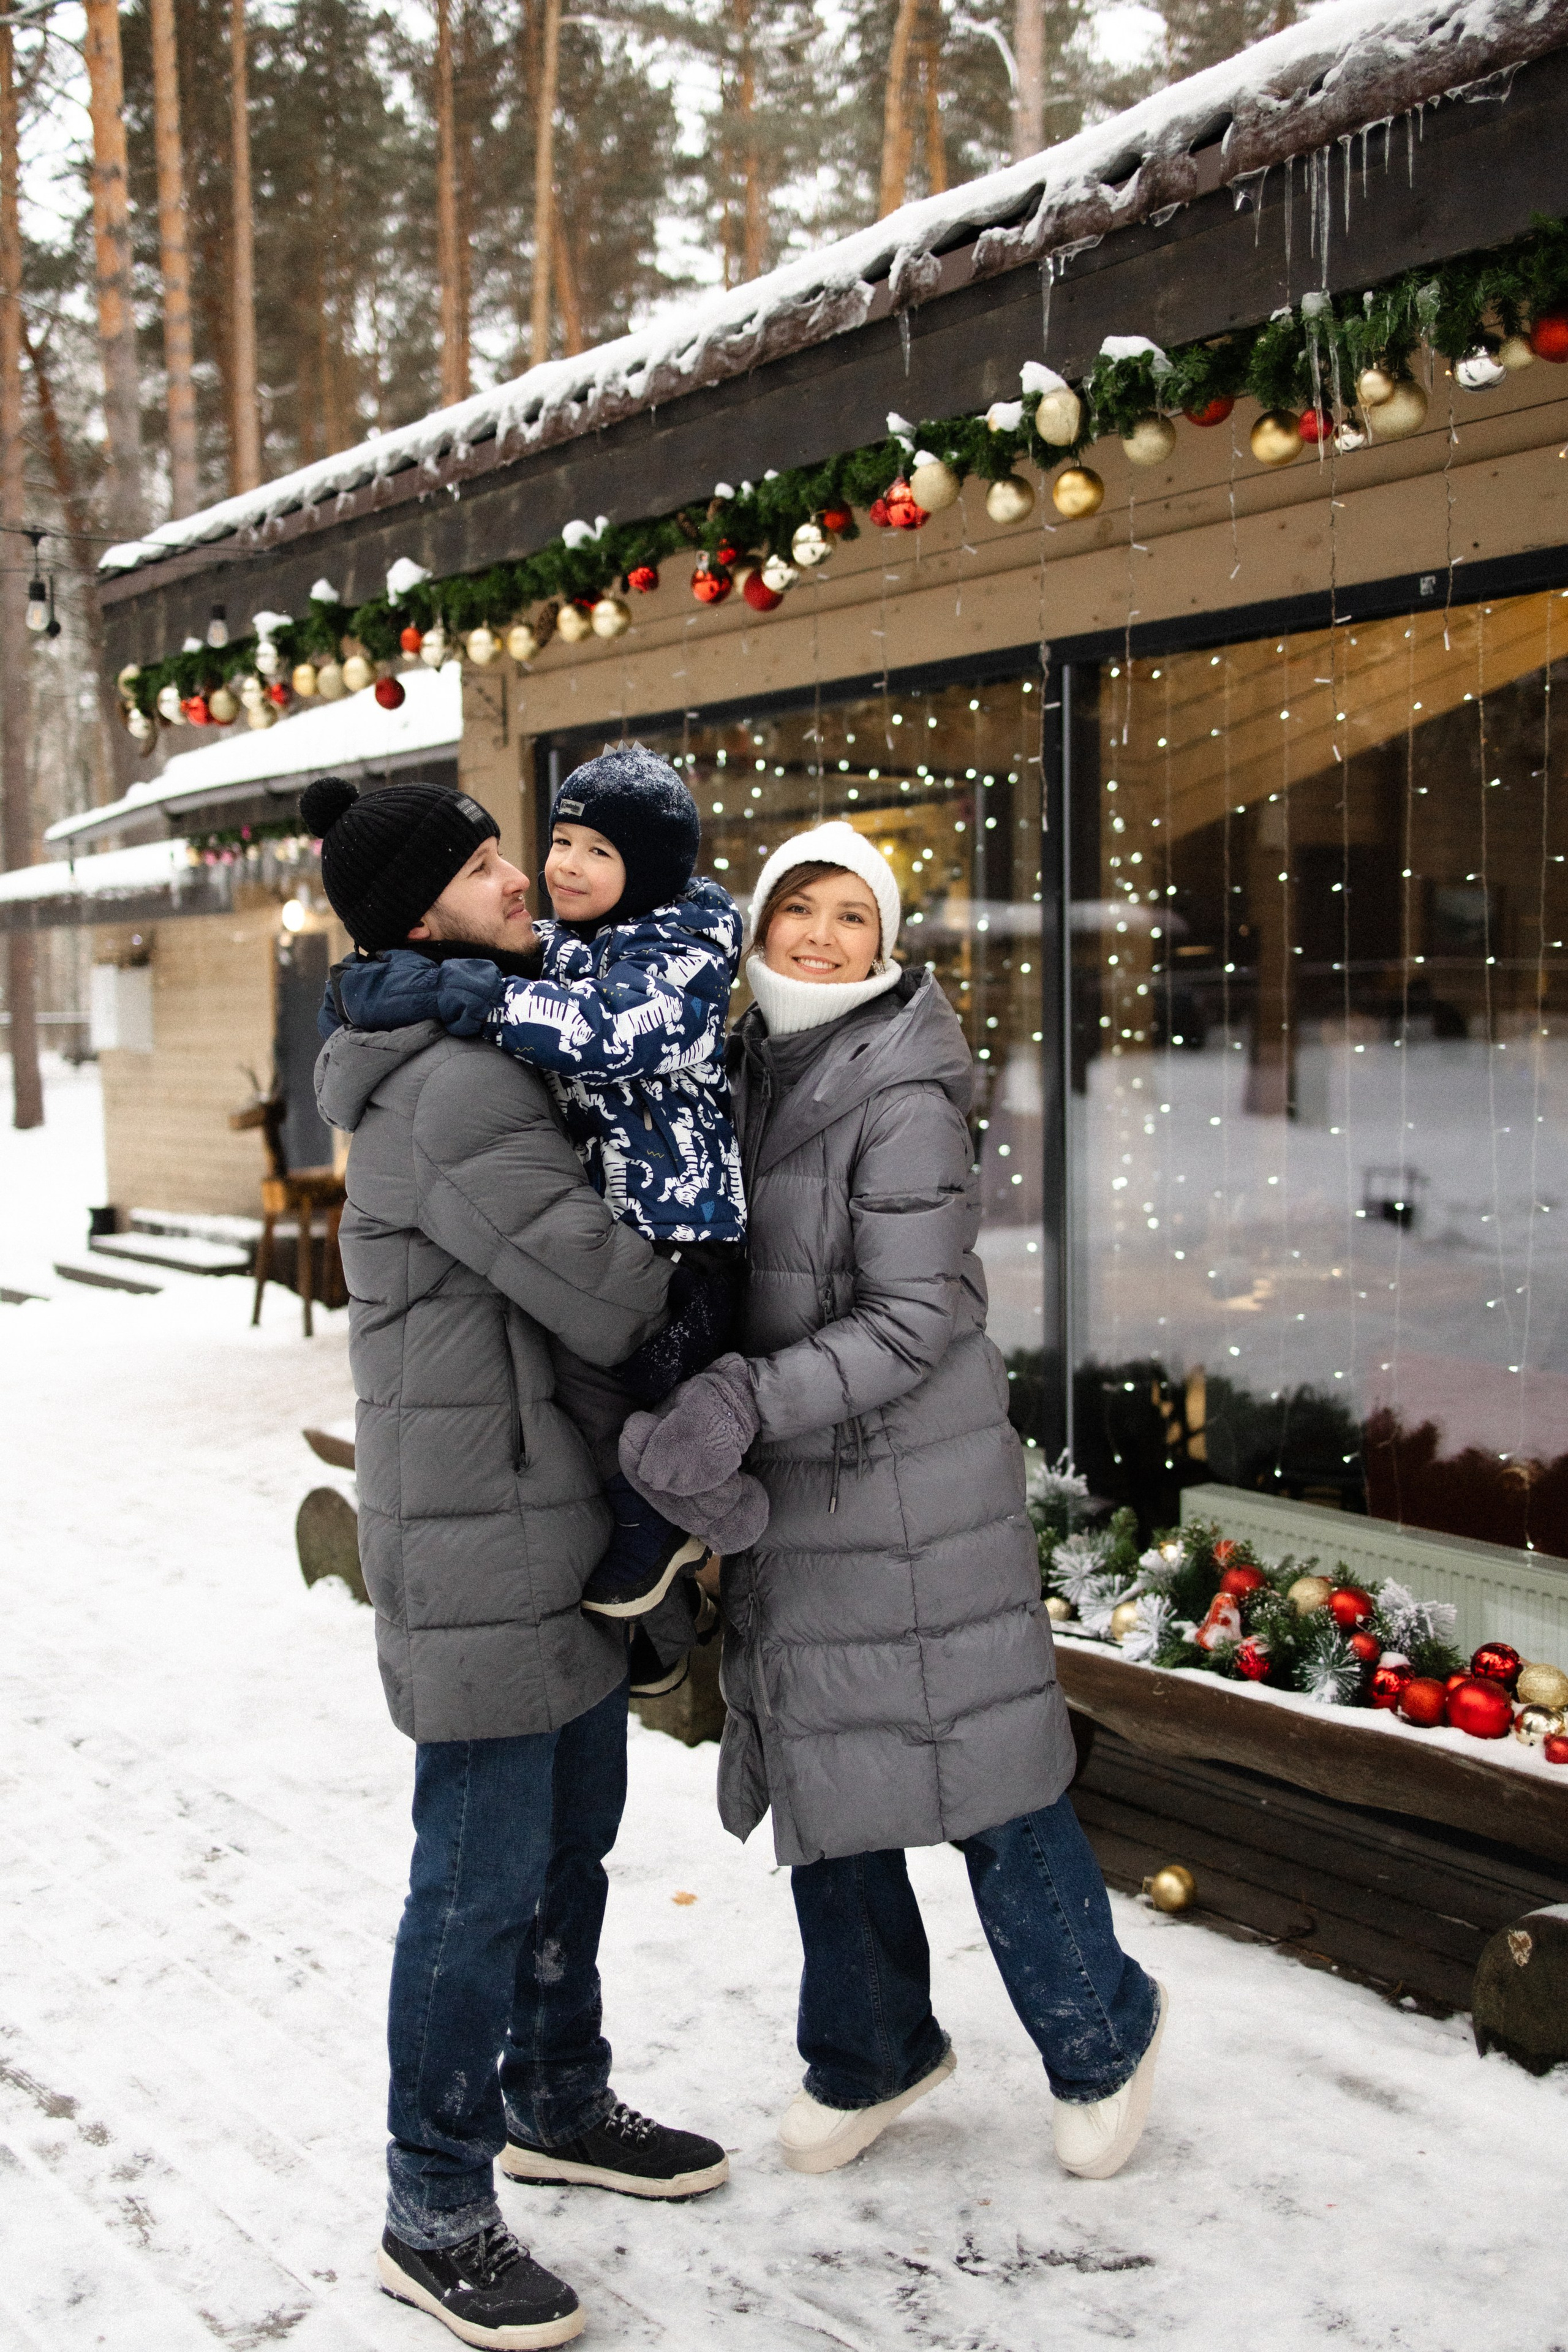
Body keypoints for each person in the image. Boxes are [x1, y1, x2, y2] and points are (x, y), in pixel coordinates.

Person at [620, 820, 1167, 2185]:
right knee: (822, 1755)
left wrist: (743, 1398)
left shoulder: (899, 1082)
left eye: (850, 915)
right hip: (791, 1478)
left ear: (886, 941)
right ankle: (871, 2052)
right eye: (795, 908)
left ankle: (1105, 2029)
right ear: (755, 926)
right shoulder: (739, 1060)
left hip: (908, 1483)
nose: (818, 935)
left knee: (976, 1764)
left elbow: (917, 1313)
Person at [305, 773, 743, 2352]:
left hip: (535, 1510)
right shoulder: (453, 1089)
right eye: (488, 860)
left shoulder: (489, 1035)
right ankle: (434, 2203)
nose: (519, 876)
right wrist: (710, 1239)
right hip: (485, 1532)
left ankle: (557, 2097)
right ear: (421, 909)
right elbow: (611, 1295)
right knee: (480, 1879)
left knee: (568, 1845)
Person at [332, 745, 745, 1624]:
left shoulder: (684, 947)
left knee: (666, 1411)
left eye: (600, 851)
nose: (557, 869)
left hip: (683, 1229)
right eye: (562, 840)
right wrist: (400, 986)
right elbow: (487, 972)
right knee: (625, 1411)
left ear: (654, 869)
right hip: (604, 1263)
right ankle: (672, 1542)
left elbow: (606, 1031)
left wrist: (480, 998)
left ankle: (686, 1528)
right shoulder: (544, 977)